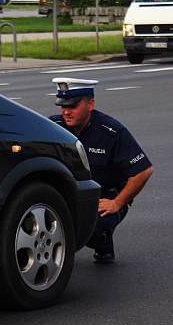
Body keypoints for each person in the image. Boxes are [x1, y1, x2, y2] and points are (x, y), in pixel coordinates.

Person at [49, 78, 153, 264]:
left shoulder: (111, 132)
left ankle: (103, 240)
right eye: (62, 106)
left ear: (90, 104)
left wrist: (117, 203)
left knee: (95, 227)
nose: (65, 111)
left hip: (102, 198)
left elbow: (143, 171)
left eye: (72, 106)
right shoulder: (54, 127)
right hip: (69, 195)